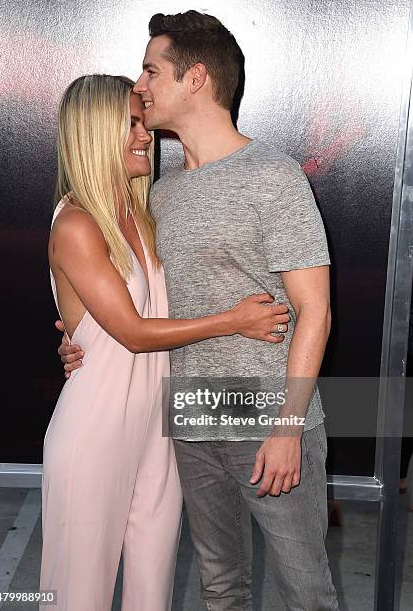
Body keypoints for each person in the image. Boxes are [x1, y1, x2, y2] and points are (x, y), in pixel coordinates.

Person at [59, 11, 340, 611]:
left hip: (268, 413)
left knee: (304, 591)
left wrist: (288, 427)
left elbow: (315, 312)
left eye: (151, 70)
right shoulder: (160, 194)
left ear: (196, 78)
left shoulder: (272, 176)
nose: (140, 86)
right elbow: (136, 301)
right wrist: (81, 332)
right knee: (220, 588)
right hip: (188, 414)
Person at [41, 73, 291, 611]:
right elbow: (130, 333)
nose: (145, 135)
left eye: (143, 120)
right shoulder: (78, 223)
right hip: (96, 427)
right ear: (93, 133)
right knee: (76, 595)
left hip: (158, 426)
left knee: (152, 590)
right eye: (130, 124)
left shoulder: (142, 212)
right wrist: (233, 320)